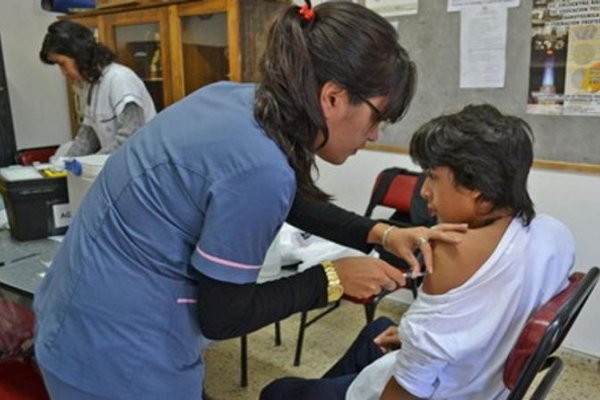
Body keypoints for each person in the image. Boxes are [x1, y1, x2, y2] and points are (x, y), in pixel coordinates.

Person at [33, 2, 464, 399]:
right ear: (333, 98)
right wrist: (332, 278)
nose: (374, 135)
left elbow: (288, 197)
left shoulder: (236, 101)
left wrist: (382, 233)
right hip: (114, 358)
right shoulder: (260, 165)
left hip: (77, 316)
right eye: (378, 117)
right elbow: (223, 316)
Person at [260, 104, 576, 400]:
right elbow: (495, 312)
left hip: (440, 391)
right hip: (484, 382)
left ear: (475, 187)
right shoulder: (554, 234)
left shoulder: (449, 252)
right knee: (377, 331)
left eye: (434, 178)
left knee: (279, 391)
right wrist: (420, 339)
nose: (424, 191)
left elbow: (407, 391)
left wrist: (423, 344)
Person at [40, 20, 156, 156]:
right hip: (116, 165)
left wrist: (91, 164)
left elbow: (130, 138)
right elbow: (87, 137)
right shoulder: (93, 85)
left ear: (78, 54)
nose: (63, 73)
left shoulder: (120, 79)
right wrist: (65, 164)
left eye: (62, 64)